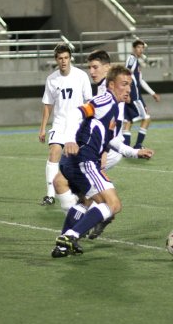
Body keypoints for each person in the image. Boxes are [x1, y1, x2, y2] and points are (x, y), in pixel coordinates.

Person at [51, 64, 154, 257]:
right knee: (113, 205)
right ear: (112, 85)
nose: (128, 89)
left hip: (73, 162)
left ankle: (63, 245)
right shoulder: (105, 99)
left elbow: (112, 140)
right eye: (124, 84)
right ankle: (72, 235)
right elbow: (76, 113)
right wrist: (70, 139)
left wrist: (134, 152)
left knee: (88, 201)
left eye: (130, 85)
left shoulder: (114, 108)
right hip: (85, 160)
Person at [38, 43, 92, 206]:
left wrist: (89, 124)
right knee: (54, 152)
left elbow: (88, 101)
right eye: (60, 58)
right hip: (59, 124)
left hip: (77, 125)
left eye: (66, 58)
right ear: (56, 59)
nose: (63, 61)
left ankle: (78, 192)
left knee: (76, 159)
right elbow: (48, 105)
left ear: (70, 58)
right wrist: (42, 129)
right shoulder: (51, 79)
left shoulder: (81, 76)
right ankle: (50, 195)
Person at [123, 39, 160, 148]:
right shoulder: (132, 59)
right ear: (134, 48)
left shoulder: (136, 61)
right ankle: (138, 145)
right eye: (138, 47)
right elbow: (126, 74)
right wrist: (128, 93)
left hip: (132, 95)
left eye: (142, 47)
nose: (141, 49)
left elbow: (140, 81)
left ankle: (126, 147)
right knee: (146, 118)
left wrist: (153, 93)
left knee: (129, 121)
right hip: (134, 96)